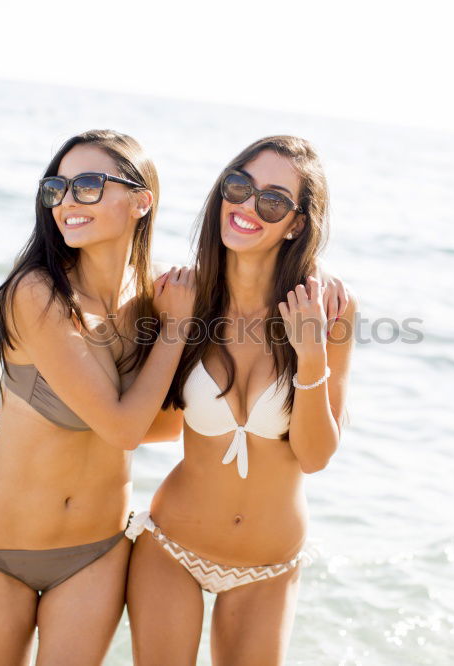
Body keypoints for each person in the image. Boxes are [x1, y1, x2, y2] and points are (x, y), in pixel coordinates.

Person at [0, 129, 195, 666]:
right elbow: (125, 428)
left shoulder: (156, 298)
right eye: (58, 187)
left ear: (140, 201)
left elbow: (166, 428)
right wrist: (174, 333)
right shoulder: (37, 292)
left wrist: (58, 414)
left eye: (88, 185)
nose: (67, 202)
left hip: (95, 551)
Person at [125, 135, 356, 665]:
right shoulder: (179, 296)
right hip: (171, 547)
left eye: (272, 200)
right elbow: (140, 419)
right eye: (239, 185)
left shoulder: (328, 309)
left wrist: (311, 354)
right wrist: (40, 418)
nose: (247, 206)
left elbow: (316, 456)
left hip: (268, 567)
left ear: (297, 223)